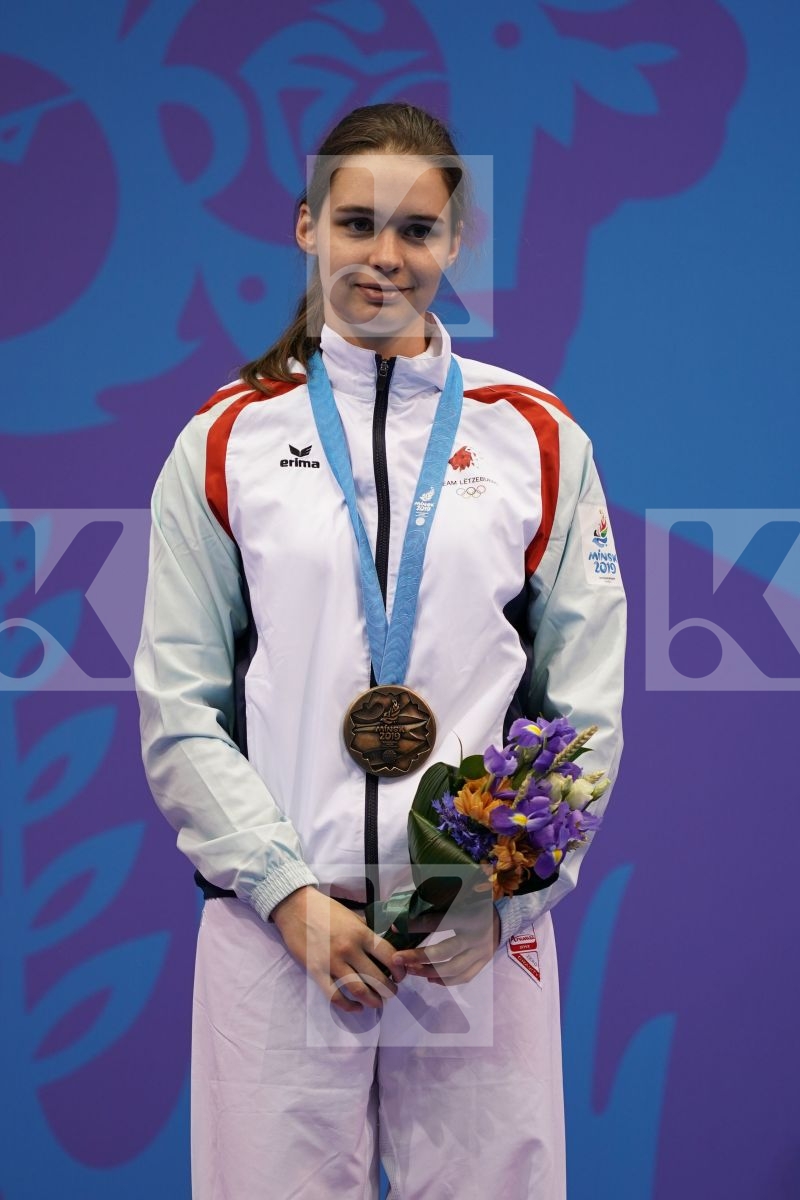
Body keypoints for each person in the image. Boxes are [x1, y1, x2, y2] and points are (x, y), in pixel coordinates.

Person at [134, 101, 626, 1199]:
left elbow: (580, 711)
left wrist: (503, 892)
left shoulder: (534, 437)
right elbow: (179, 705)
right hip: (278, 939)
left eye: (415, 230)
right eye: (357, 223)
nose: (384, 256)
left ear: (455, 244)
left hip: (472, 938)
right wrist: (282, 892)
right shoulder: (225, 441)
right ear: (304, 226)